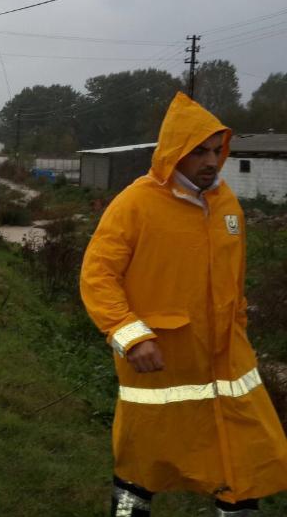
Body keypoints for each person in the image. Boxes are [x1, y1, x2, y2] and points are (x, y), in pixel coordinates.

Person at [80, 92, 287, 516]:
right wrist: (131, 336)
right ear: (175, 152)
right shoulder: (135, 205)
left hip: (229, 364)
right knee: (143, 460)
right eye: (199, 152)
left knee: (243, 455)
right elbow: (97, 276)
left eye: (216, 150)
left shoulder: (227, 205)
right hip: (160, 363)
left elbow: (235, 282)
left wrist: (240, 331)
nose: (211, 161)